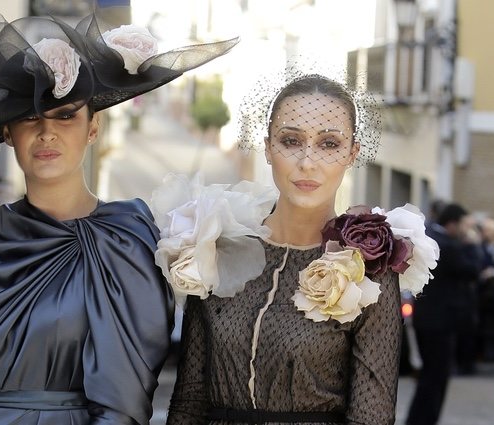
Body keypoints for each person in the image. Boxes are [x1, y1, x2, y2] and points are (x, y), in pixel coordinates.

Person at [0, 11, 237, 425]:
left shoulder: (129, 239)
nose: (47, 132)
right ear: (8, 133)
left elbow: (124, 405)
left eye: (65, 115)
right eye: (30, 117)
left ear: (93, 127)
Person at [162, 72, 438, 424]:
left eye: (328, 144)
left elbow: (372, 417)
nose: (308, 162)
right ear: (267, 147)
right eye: (291, 140)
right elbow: (188, 402)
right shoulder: (216, 250)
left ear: (352, 153)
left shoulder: (369, 271)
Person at [406, 203, 482, 425]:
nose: (467, 231)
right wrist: (473, 245)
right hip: (439, 322)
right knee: (435, 376)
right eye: (465, 226)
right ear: (452, 223)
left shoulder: (433, 237)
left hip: (430, 319)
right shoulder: (448, 245)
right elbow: (472, 270)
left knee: (432, 375)